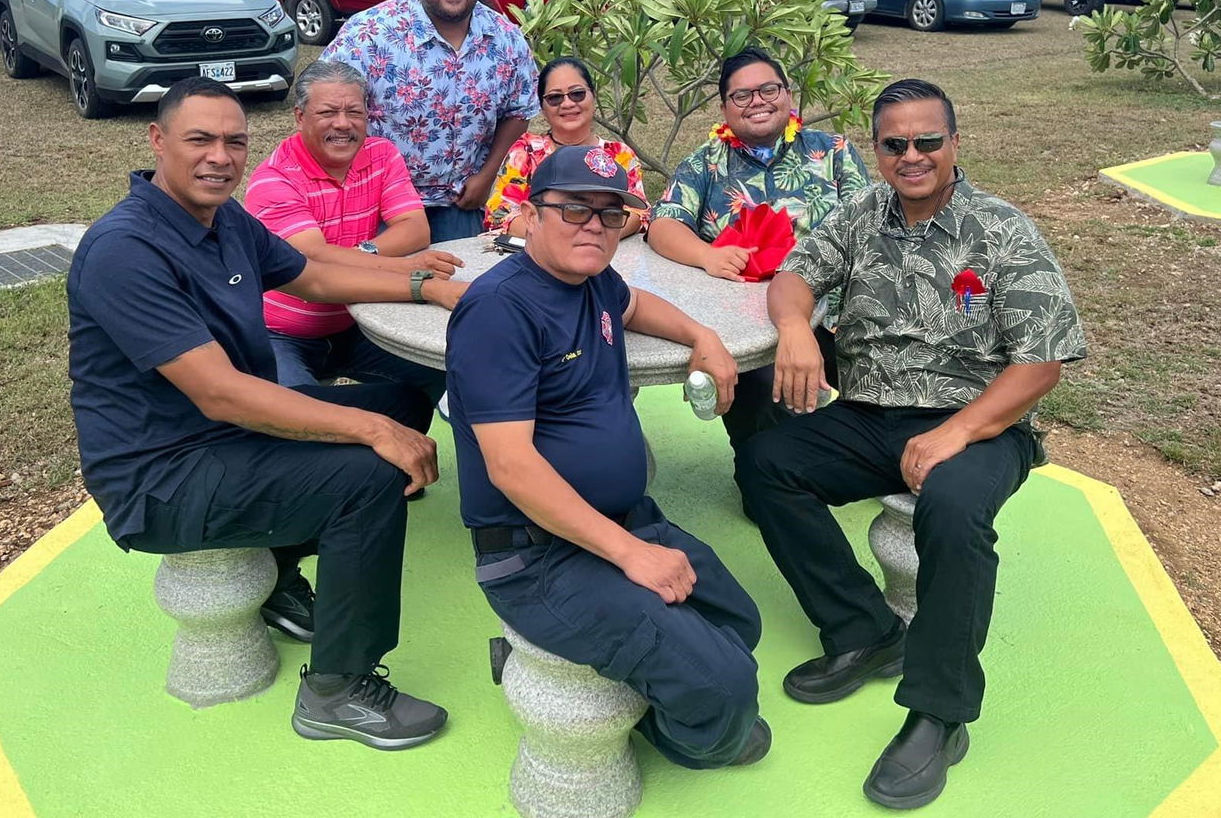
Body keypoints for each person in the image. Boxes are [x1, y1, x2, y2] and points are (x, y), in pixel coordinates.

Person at [67, 75, 468, 750]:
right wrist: (371, 432)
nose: (219, 157)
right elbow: (220, 392)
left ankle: (278, 575)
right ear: (157, 141)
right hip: (161, 477)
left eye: (233, 142)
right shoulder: (125, 250)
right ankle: (338, 690)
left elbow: (312, 277)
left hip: (226, 437)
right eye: (200, 140)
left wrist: (426, 286)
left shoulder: (224, 221)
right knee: (368, 478)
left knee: (401, 396)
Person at [735, 78, 1087, 809]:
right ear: (878, 150)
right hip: (869, 412)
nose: (912, 155)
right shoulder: (861, 213)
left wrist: (956, 431)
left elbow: (1041, 361)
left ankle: (940, 712)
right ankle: (864, 630)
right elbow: (795, 278)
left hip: (980, 420)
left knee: (953, 511)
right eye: (895, 143)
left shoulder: (1002, 229)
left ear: (955, 144)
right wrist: (797, 328)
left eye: (928, 140)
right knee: (768, 463)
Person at [445, 145, 771, 771]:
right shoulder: (499, 311)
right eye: (573, 209)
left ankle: (649, 673)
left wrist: (703, 335)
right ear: (531, 214)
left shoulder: (593, 278)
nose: (593, 225)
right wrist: (632, 555)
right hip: (537, 555)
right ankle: (678, 742)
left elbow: (636, 306)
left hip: (626, 516)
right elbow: (509, 466)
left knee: (738, 623)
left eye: (609, 213)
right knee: (727, 691)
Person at [648, 47, 870, 453]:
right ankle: (767, 475)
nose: (757, 102)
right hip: (744, 322)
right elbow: (663, 225)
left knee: (884, 377)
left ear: (787, 95)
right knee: (762, 399)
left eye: (768, 89)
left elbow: (867, 229)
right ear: (724, 107)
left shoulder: (833, 153)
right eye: (742, 95)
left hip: (835, 310)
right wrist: (707, 255)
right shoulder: (705, 164)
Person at [244, 59, 458, 407]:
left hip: (361, 324)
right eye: (328, 112)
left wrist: (362, 254)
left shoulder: (381, 155)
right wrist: (408, 269)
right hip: (280, 334)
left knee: (456, 375)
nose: (343, 124)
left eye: (354, 112)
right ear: (300, 117)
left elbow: (416, 230)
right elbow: (312, 260)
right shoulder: (274, 180)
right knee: (299, 416)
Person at [322, 0, 539, 243]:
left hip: (462, 202)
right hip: (380, 203)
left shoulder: (506, 39)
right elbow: (325, 106)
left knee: (459, 288)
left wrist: (488, 175)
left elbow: (518, 110)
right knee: (384, 288)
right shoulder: (369, 34)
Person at [485, 56, 646, 239]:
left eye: (577, 94)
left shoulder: (619, 155)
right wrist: (562, 241)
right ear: (543, 108)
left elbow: (639, 211)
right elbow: (500, 213)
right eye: (555, 98)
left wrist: (593, 237)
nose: (568, 103)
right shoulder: (527, 152)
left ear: (594, 97)